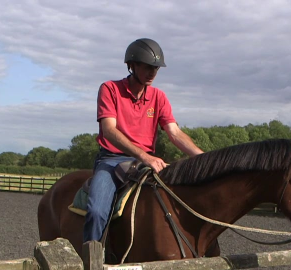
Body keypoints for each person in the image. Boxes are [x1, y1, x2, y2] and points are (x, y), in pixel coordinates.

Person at [83, 38, 204, 243]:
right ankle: (90, 265)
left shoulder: (159, 96)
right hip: (112, 160)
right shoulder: (110, 89)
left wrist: (204, 158)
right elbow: (109, 130)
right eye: (148, 67)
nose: (152, 73)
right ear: (132, 65)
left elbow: (174, 133)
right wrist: (145, 156)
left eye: (156, 68)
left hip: (145, 162)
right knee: (96, 211)